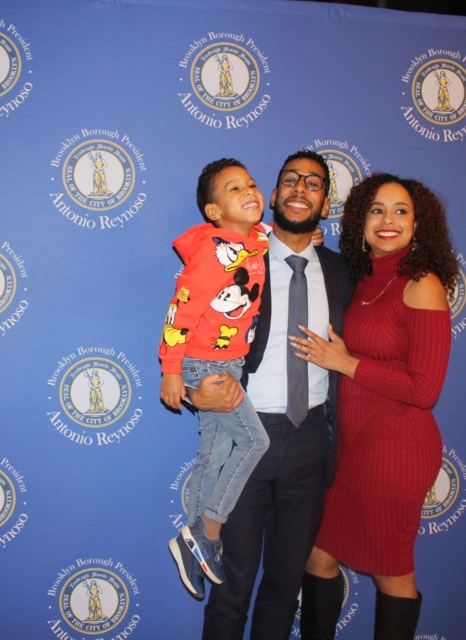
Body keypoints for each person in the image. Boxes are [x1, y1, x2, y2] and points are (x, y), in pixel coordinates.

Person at [187, 150, 352, 640]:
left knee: (284, 586)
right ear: (275, 194)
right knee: (232, 584)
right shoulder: (236, 257)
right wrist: (194, 389)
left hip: (310, 442)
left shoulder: (342, 271)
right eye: (290, 180)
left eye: (314, 183)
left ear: (325, 202)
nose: (301, 189)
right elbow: (191, 325)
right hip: (248, 433)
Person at [295, 174, 458, 640]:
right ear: (360, 222)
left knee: (392, 572)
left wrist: (348, 363)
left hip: (396, 451)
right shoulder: (361, 276)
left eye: (401, 211)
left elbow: (425, 389)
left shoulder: (422, 284)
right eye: (377, 210)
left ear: (418, 223)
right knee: (318, 557)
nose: (388, 220)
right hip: (347, 448)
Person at [160, 158, 271, 600]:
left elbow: (271, 237)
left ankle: (194, 541)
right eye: (233, 189)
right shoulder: (211, 254)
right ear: (213, 211)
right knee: (254, 442)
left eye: (251, 184)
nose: (248, 192)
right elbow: (179, 311)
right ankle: (205, 532)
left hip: (232, 362)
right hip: (205, 366)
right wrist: (171, 370)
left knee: (215, 448)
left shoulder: (257, 240)